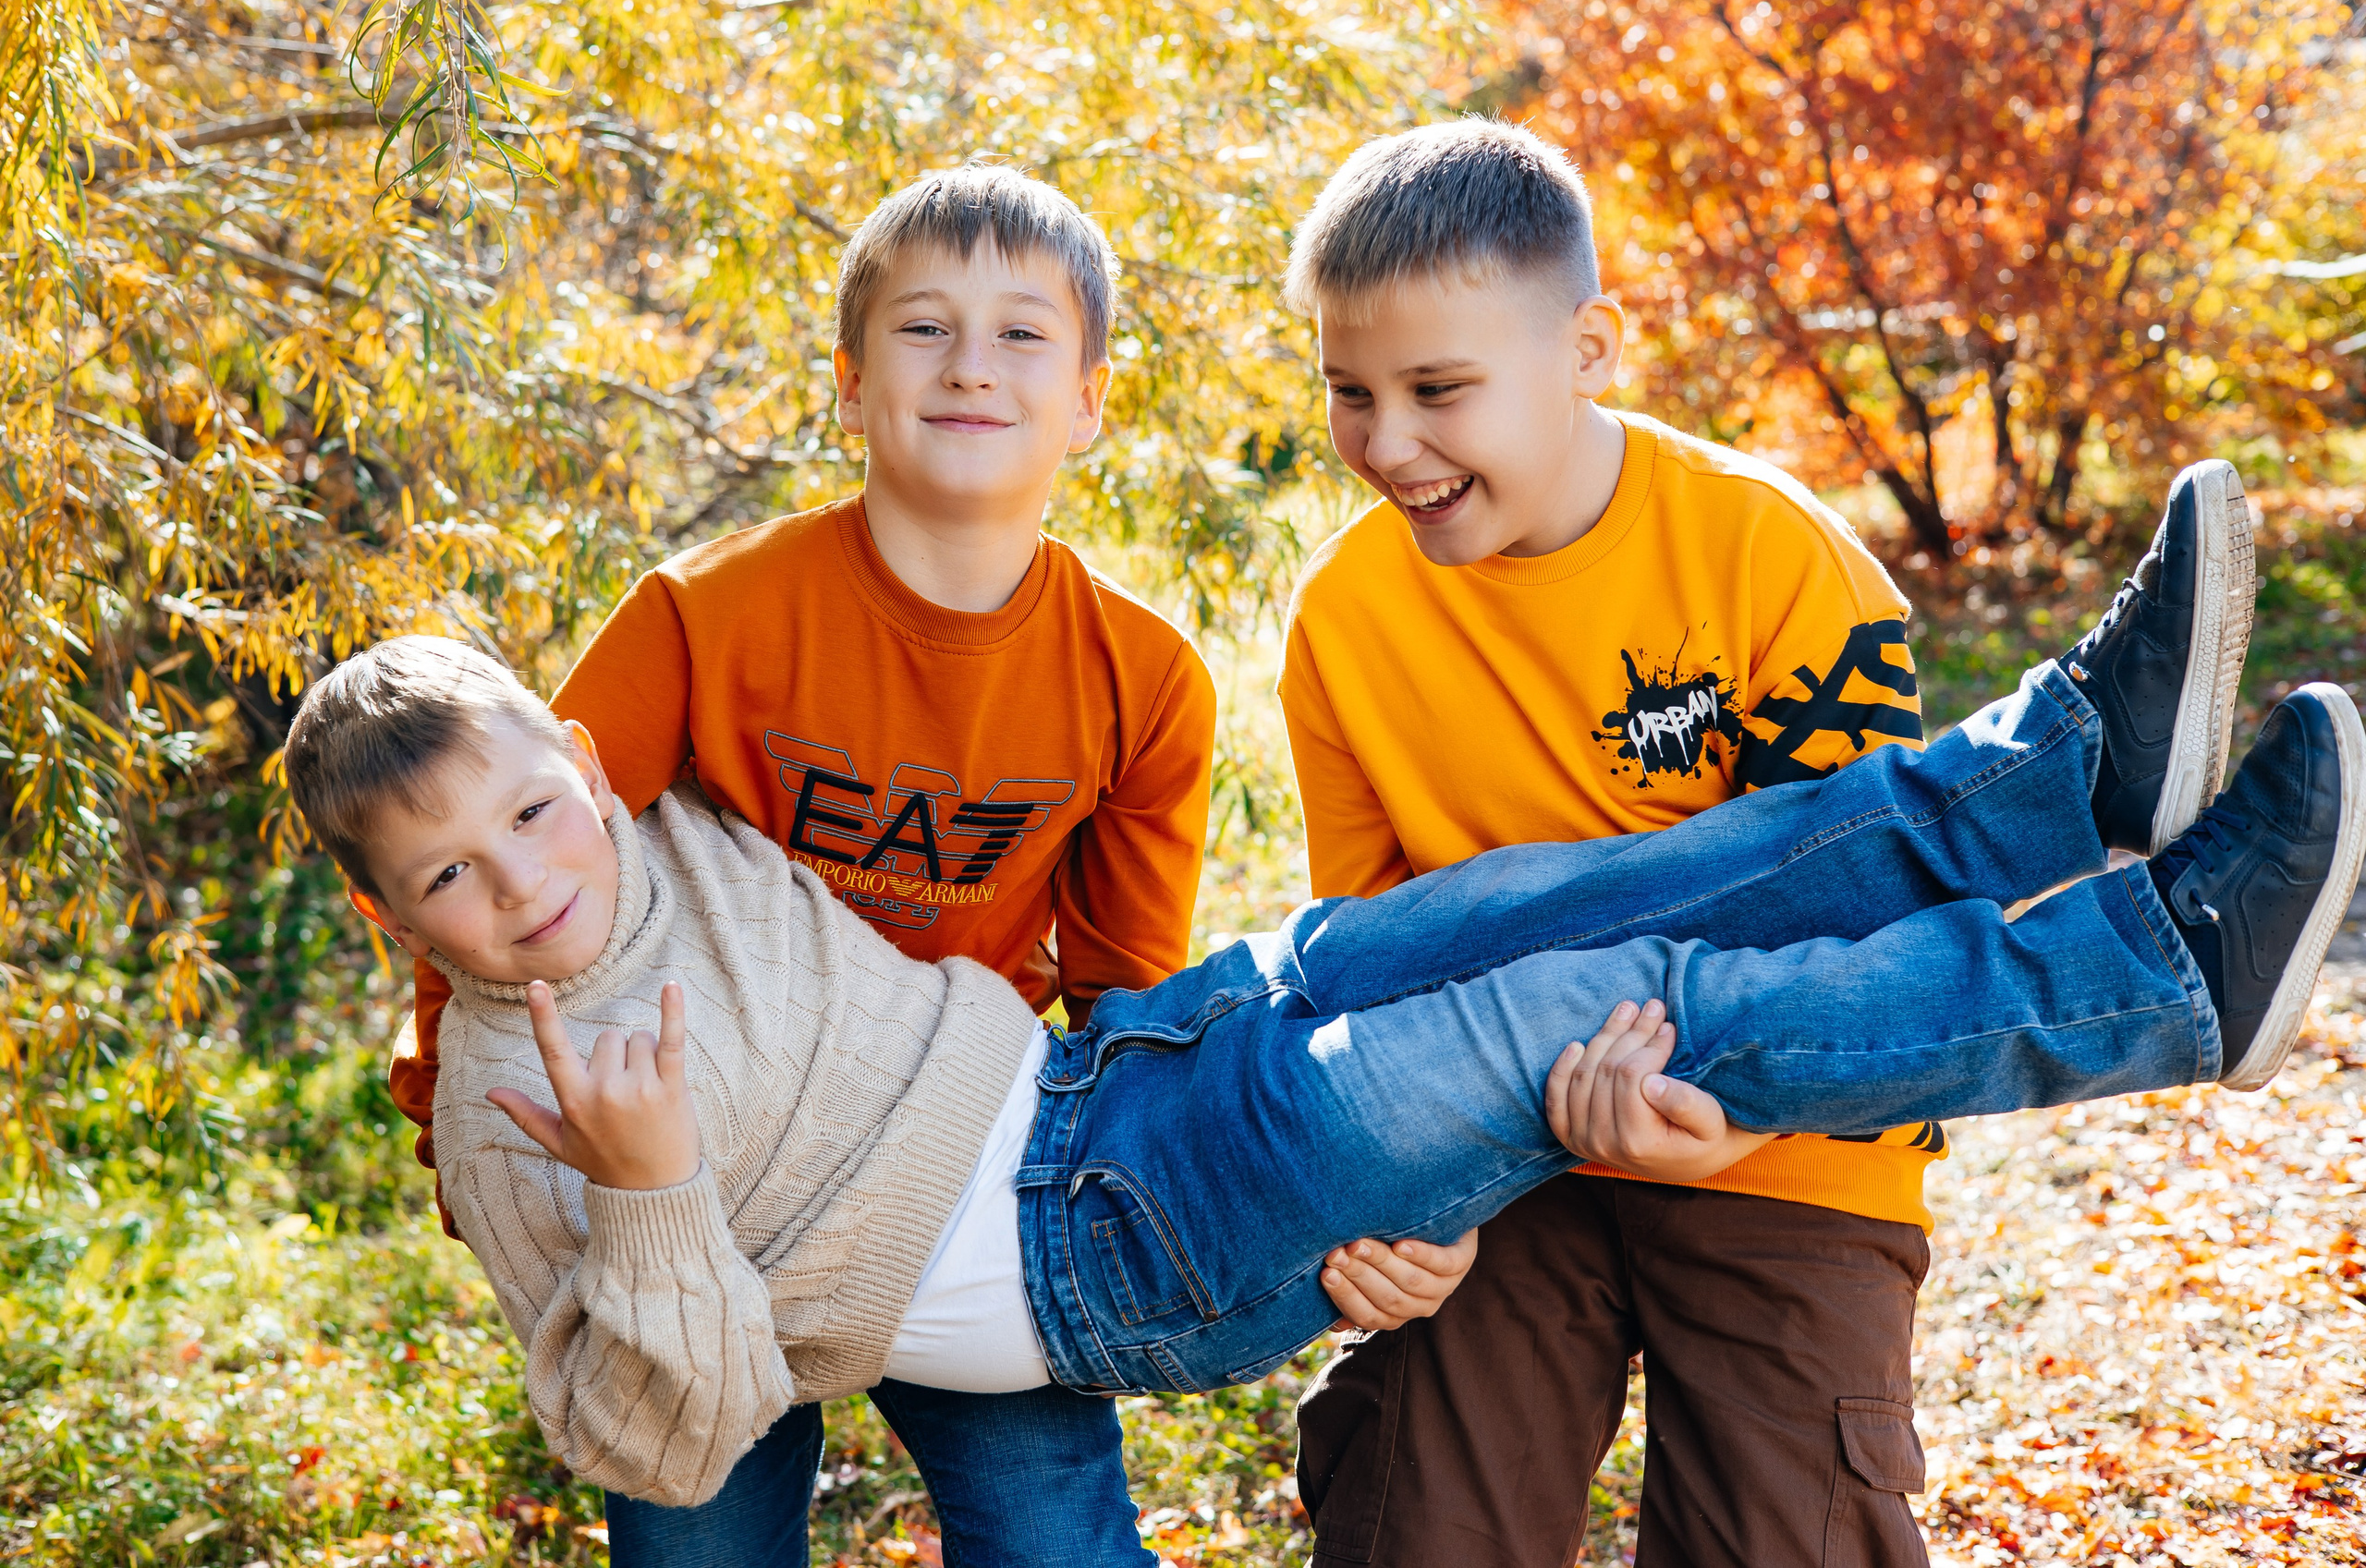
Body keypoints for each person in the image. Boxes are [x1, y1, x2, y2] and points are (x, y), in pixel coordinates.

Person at [280, 590, 2362, 1534]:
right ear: (397, 919)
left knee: (1562, 898)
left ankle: (2048, 769)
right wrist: (644, 1181)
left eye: (531, 810)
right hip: (1109, 1245)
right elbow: (659, 1425)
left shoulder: (671, 818)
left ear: (582, 754)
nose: (520, 884)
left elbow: (765, 632)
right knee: (1587, 1005)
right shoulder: (506, 1104)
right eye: (445, 877)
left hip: (1131, 1072)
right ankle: (2157, 974)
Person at [378, 165, 1467, 1565]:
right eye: (921, 329)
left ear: (1090, 399)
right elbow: (493, 866)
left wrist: (1286, 1198)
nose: (970, 365)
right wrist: (450, 1131)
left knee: (1055, 1540)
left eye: (1023, 334)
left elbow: (1130, 999)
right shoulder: (704, 619)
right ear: (847, 379)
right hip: (694, 1182)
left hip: (965, 1166)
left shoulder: (1140, 678)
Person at [1271, 118, 2275, 1565]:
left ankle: (2120, 836)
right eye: (1349, 393)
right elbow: (1380, 960)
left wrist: (1725, 1125)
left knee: (1785, 1532)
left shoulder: (1770, 552)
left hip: (1785, 1147)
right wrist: (1399, 1200)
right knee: (1418, 1515)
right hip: (1503, 1160)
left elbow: (1876, 925)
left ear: (1591, 349)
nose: (1388, 442)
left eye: (1438, 389)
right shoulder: (1345, 616)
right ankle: (2093, 785)